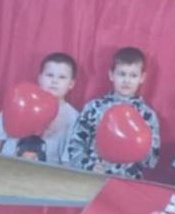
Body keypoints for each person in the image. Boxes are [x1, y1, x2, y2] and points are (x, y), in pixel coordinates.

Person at [66, 46, 161, 179]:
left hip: (129, 182)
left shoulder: (147, 115)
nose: (127, 80)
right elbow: (75, 144)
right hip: (93, 178)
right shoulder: (94, 108)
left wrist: (136, 146)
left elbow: (152, 159)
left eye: (133, 75)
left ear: (142, 78)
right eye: (122, 74)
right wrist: (88, 166)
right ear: (111, 75)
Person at [0, 52, 80, 164]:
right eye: (49, 75)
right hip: (7, 166)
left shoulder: (73, 117)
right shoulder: (20, 100)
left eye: (62, 77)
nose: (54, 81)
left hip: (45, 172)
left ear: (71, 84)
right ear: (40, 78)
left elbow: (68, 158)